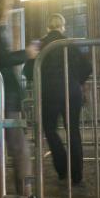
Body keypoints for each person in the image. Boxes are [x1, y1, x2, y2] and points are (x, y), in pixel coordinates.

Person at [0, 0, 53, 198]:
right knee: (21, 151)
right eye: (8, 4)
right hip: (4, 100)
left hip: (2, 98)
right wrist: (27, 53)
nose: (10, 8)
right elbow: (2, 59)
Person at [26, 13, 92, 185]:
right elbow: (87, 67)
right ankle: (77, 175)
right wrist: (77, 80)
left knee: (50, 129)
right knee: (73, 131)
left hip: (49, 93)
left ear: (48, 27)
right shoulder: (69, 44)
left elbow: (28, 72)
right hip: (71, 92)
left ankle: (62, 168)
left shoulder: (41, 44)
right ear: (63, 26)